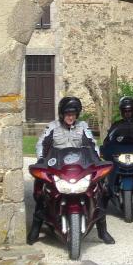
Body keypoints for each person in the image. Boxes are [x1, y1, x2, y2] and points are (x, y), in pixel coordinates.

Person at [27, 96, 115, 245]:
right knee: (42, 190)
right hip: (57, 167)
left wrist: (97, 159)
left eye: (73, 114)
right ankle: (36, 228)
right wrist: (41, 159)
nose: (70, 117)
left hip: (79, 167)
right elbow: (41, 144)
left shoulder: (83, 126)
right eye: (68, 114)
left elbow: (92, 144)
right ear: (62, 114)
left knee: (98, 189)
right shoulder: (52, 127)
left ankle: (102, 231)